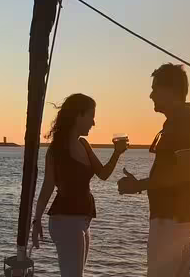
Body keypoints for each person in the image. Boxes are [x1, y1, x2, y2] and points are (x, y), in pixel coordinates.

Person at [118, 63, 190, 277]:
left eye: (155, 89)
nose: (151, 95)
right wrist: (189, 201)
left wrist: (138, 185)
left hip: (171, 221)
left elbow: (185, 173)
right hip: (177, 219)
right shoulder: (181, 121)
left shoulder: (183, 122)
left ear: (170, 91)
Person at [32, 93, 129, 277]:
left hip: (82, 220)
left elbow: (103, 174)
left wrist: (117, 153)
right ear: (78, 116)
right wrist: (37, 220)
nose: (94, 123)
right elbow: (47, 186)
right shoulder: (56, 150)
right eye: (91, 116)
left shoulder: (84, 144)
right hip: (65, 220)